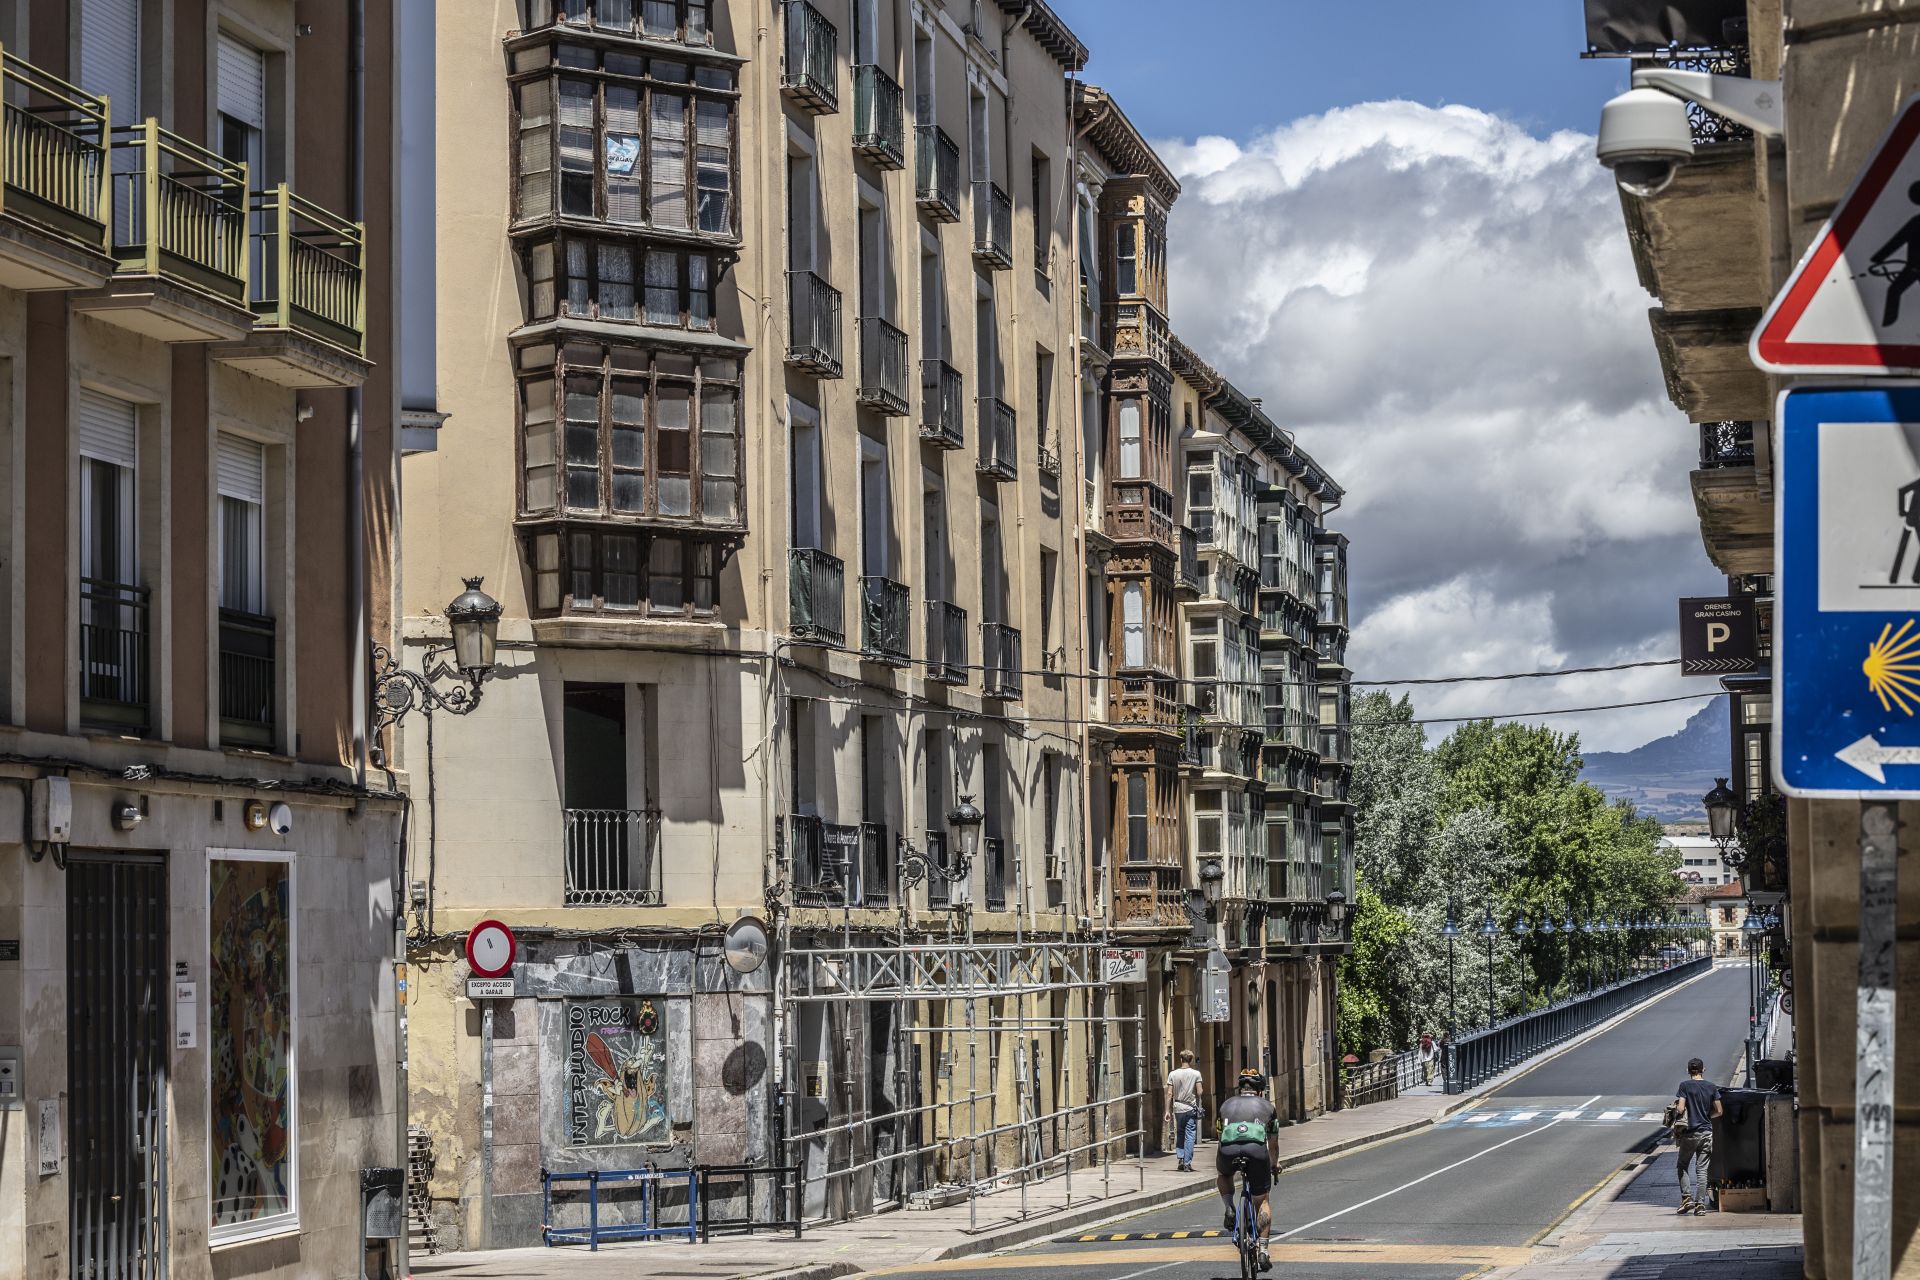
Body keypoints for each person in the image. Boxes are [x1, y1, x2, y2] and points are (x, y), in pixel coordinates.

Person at [1215, 1068, 1280, 1272]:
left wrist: (1223, 1159)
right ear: (1259, 1091)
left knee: (1224, 1175)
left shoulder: (1226, 1105)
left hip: (1227, 1150)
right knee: (1262, 1200)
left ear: (1240, 1089)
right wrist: (1273, 1164)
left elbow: (1220, 1134)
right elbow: (1273, 1142)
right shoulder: (1268, 1107)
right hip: (1256, 1151)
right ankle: (1263, 1250)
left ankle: (1229, 1206)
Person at [1672, 1056, 1723, 1215]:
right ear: (1703, 1069)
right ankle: (1700, 1205)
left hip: (1690, 1133)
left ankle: (1687, 1198)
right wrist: (1708, 1117)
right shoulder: (1711, 1087)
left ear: (1688, 1071)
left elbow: (1680, 1109)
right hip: (1706, 1132)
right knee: (1702, 1170)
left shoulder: (1684, 1086)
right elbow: (1719, 1111)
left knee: (1682, 1165)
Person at [1166, 1050, 1205, 1172]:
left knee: (1180, 1133)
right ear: (1191, 1060)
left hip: (1178, 1107)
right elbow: (1199, 1092)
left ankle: (1181, 1158)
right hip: (1190, 1107)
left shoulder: (1172, 1074)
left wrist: (1167, 1110)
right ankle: (1187, 1163)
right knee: (1190, 1135)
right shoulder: (1196, 1074)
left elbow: (1169, 1094)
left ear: (1181, 1059)